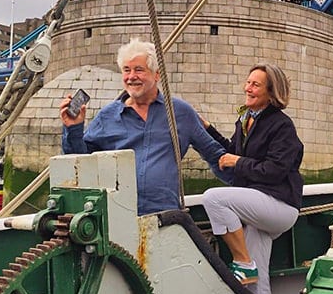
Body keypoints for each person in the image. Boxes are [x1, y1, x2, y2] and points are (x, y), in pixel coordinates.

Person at [60, 38, 230, 214]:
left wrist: (251, 182)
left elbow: (215, 155)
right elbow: (80, 162)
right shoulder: (107, 116)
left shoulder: (180, 112)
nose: (131, 76)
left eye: (139, 70)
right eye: (126, 70)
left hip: (165, 216)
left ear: (157, 75)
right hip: (117, 216)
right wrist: (73, 128)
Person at [201, 63, 303, 294]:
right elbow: (231, 150)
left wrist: (238, 162)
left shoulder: (282, 125)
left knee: (213, 198)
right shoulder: (246, 119)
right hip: (259, 205)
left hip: (280, 204)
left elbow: (274, 171)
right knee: (257, 283)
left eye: (255, 85)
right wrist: (207, 130)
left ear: (271, 92)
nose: (248, 88)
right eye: (248, 82)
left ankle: (243, 262)